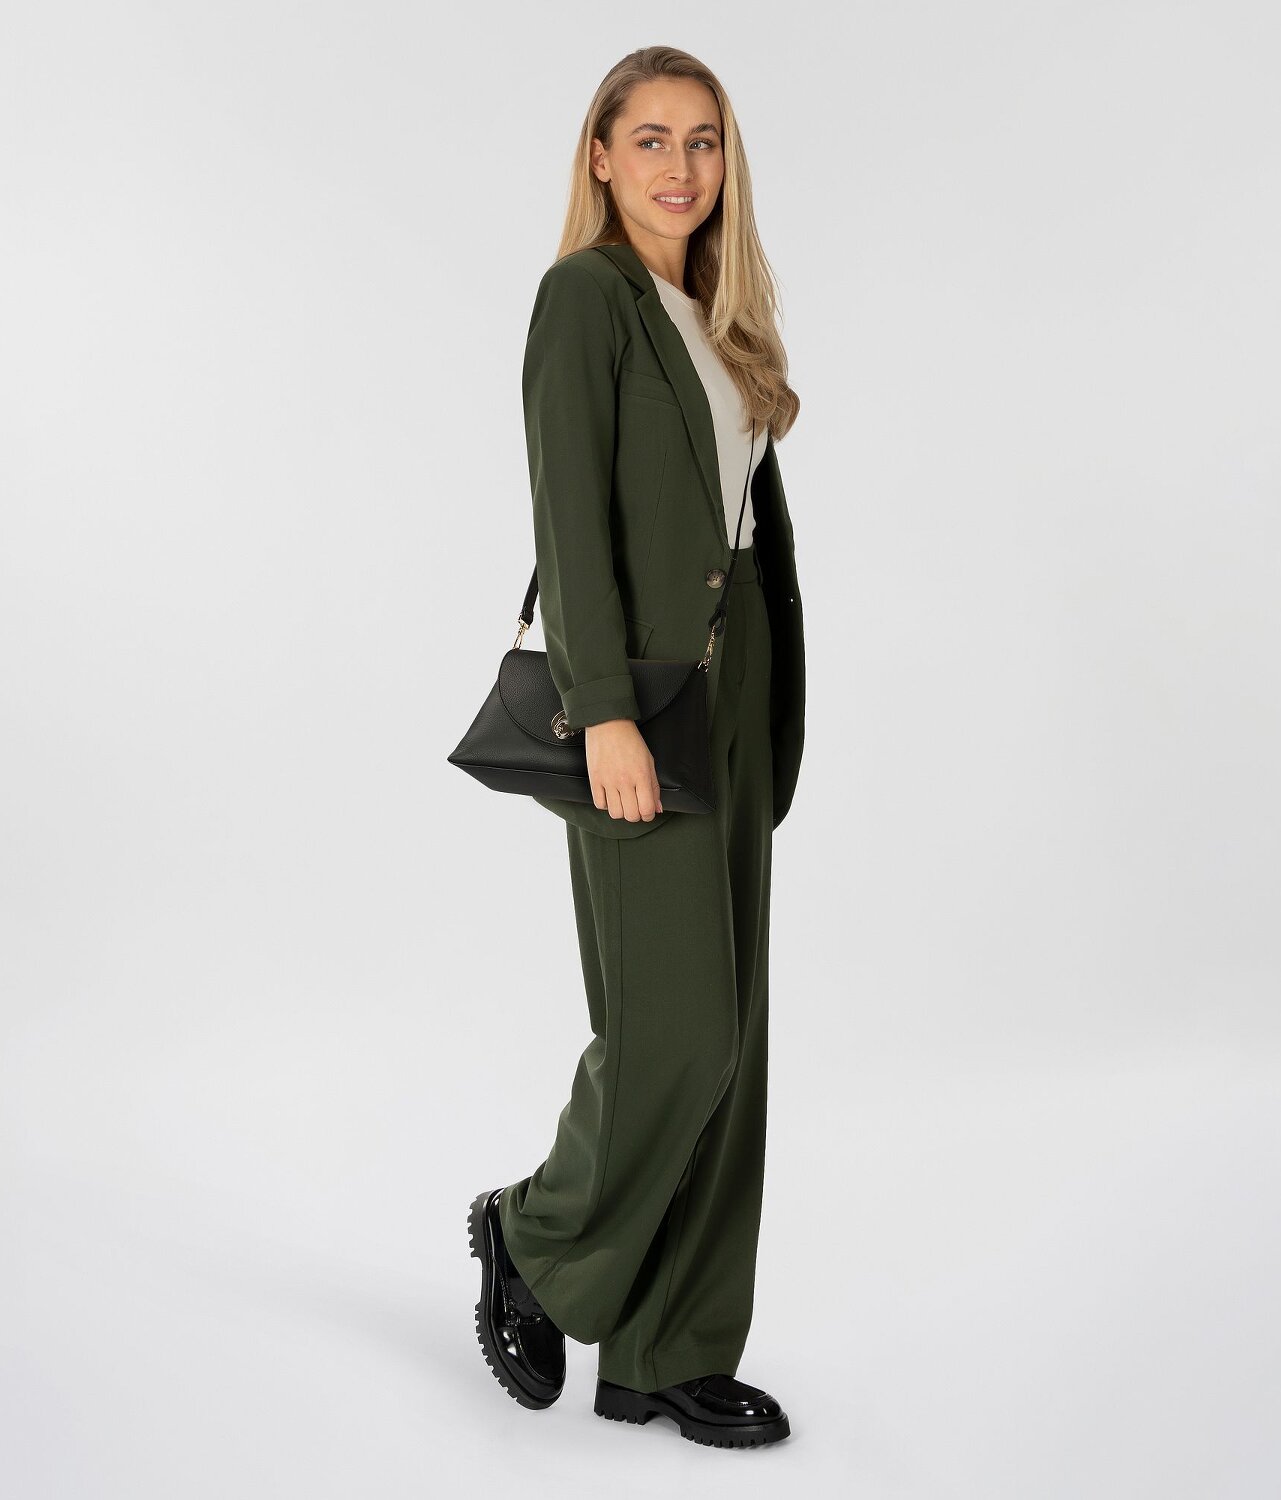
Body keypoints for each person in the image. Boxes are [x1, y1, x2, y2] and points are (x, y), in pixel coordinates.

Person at [467, 44, 806, 1450]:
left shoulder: (717, 316)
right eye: (651, 138)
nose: (680, 166)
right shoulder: (586, 298)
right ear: (600, 157)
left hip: (737, 693)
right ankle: (534, 1233)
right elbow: (570, 514)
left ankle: (668, 1350)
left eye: (703, 140)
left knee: (736, 1044)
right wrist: (601, 705)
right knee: (678, 1031)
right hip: (642, 704)